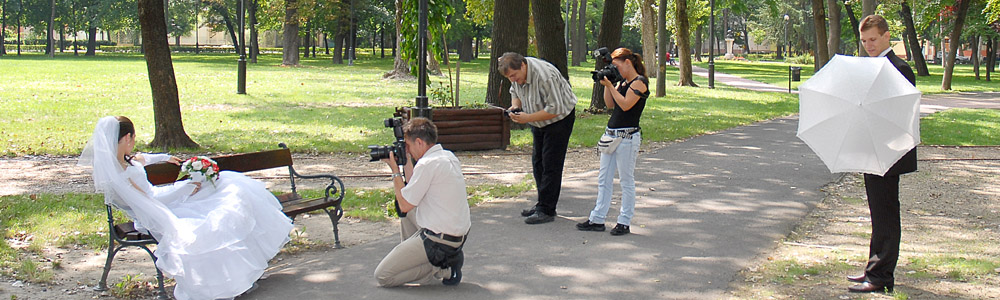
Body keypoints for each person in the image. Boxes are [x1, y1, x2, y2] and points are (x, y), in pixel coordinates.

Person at [78, 116, 293, 300]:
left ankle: (242, 272)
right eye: (133, 139)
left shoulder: (124, 162)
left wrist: (166, 158)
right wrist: (186, 189)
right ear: (127, 138)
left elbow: (142, 159)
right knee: (219, 218)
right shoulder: (121, 177)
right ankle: (228, 280)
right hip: (156, 212)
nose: (134, 143)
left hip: (162, 201)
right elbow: (150, 202)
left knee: (230, 184)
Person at [845, 15, 917, 294]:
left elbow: (901, 115)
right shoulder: (870, 66)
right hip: (871, 149)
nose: (868, 45)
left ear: (887, 36)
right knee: (877, 213)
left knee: (886, 214)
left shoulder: (899, 69)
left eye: (873, 39)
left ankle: (881, 276)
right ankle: (873, 268)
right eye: (864, 41)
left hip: (889, 152)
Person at [374, 117, 471, 287]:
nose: (408, 150)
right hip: (456, 236)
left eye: (408, 146)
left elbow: (404, 204)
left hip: (438, 241)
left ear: (419, 142)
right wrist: (405, 159)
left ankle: (442, 269)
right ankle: (430, 262)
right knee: (409, 211)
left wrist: (395, 171)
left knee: (383, 276)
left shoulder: (427, 164)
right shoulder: (448, 156)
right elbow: (413, 188)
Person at [498, 52, 578, 225]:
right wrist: (515, 107)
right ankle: (542, 202)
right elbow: (515, 92)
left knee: (551, 163)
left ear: (523, 65)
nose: (513, 80)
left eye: (514, 75)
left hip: (559, 118)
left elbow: (555, 108)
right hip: (538, 119)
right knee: (538, 162)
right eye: (509, 77)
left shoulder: (545, 76)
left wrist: (528, 118)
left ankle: (547, 210)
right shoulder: (516, 75)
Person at [576, 48, 649, 236]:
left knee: (626, 180)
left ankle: (624, 221)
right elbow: (609, 104)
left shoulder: (640, 82)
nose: (615, 70)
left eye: (616, 66)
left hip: (627, 137)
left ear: (628, 63)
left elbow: (625, 105)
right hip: (611, 135)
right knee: (604, 179)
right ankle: (597, 218)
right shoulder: (622, 82)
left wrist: (610, 85)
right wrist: (607, 84)